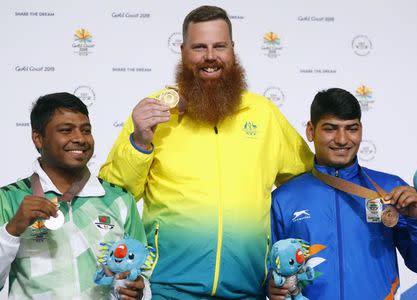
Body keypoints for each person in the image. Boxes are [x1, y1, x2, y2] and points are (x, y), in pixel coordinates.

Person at [99, 5, 313, 299]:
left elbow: (305, 187)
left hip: (248, 290)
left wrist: (285, 260)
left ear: (233, 49)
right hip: (166, 290)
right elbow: (115, 195)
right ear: (183, 50)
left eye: (219, 46)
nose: (210, 56)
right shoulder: (154, 112)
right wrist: (139, 142)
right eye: (199, 47)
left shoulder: (263, 114)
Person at [269, 88, 417, 300]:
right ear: (311, 131)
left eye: (351, 129)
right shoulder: (284, 200)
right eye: (330, 129)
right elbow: (272, 273)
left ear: (361, 130)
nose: (342, 140)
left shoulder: (391, 188)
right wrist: (272, 286)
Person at [0, 93, 151, 299]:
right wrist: (13, 229)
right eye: (66, 130)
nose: (80, 138)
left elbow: (142, 272)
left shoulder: (119, 199)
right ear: (38, 138)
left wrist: (140, 290)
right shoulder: (8, 199)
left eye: (86, 130)